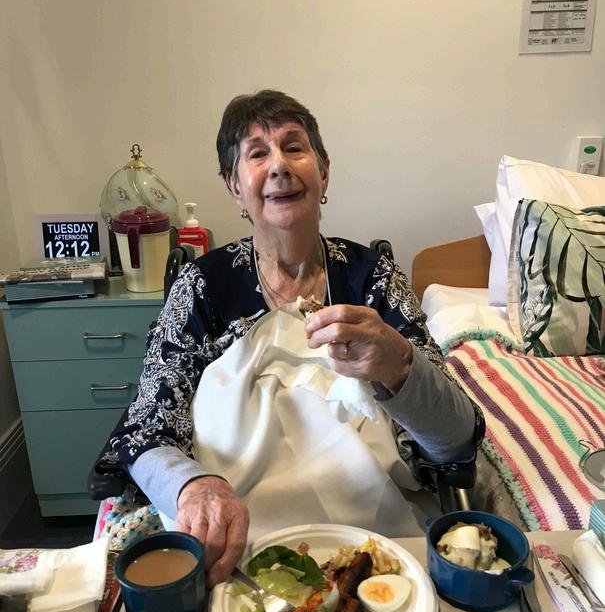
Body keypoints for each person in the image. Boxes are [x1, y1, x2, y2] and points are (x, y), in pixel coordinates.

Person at [108, 89, 483, 586]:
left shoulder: (372, 279)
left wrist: (400, 363)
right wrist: (194, 488)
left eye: (294, 147)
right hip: (233, 541)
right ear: (235, 186)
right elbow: (146, 430)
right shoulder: (202, 288)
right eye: (257, 154)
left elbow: (457, 440)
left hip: (375, 545)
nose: (279, 166)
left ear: (323, 171)